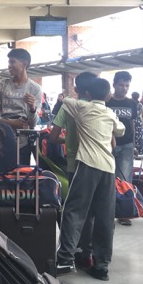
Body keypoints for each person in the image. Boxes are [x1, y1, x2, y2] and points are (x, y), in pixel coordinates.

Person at [55, 77, 124, 281]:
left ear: (86, 94)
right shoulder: (110, 113)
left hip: (86, 164)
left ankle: (65, 258)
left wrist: (65, 97)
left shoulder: (81, 108)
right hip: (108, 168)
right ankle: (102, 266)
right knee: (104, 216)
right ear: (109, 95)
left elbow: (64, 99)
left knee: (74, 211)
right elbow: (121, 130)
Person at [50, 72, 97, 268]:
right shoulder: (100, 108)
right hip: (97, 165)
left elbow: (53, 137)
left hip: (74, 164)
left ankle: (70, 251)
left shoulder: (68, 107)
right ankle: (89, 251)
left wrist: (68, 141)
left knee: (74, 209)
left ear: (77, 89)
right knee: (93, 210)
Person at [0, 48, 43, 164]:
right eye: (9, 62)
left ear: (24, 64)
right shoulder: (2, 85)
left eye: (12, 62)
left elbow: (32, 124)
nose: (9, 66)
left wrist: (32, 108)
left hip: (22, 143)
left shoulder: (35, 89)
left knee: (21, 176)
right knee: (2, 176)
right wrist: (10, 123)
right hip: (1, 139)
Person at [107, 71, 139, 226]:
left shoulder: (132, 103)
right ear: (114, 85)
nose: (124, 88)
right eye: (121, 85)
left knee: (125, 178)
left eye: (127, 85)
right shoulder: (107, 102)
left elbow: (133, 126)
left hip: (126, 145)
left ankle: (124, 212)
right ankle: (108, 210)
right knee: (108, 178)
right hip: (107, 145)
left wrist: (134, 145)